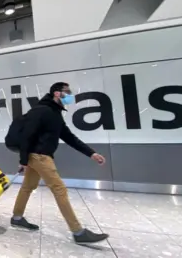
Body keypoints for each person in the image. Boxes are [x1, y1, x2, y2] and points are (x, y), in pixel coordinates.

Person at [11, 82, 109, 244]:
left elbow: (70, 137)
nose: (70, 94)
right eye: (67, 91)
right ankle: (78, 232)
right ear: (57, 94)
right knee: (59, 189)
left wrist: (91, 153)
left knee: (28, 187)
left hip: (36, 156)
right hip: (40, 156)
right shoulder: (42, 110)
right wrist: (23, 159)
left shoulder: (55, 113)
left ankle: (17, 217)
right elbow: (27, 134)